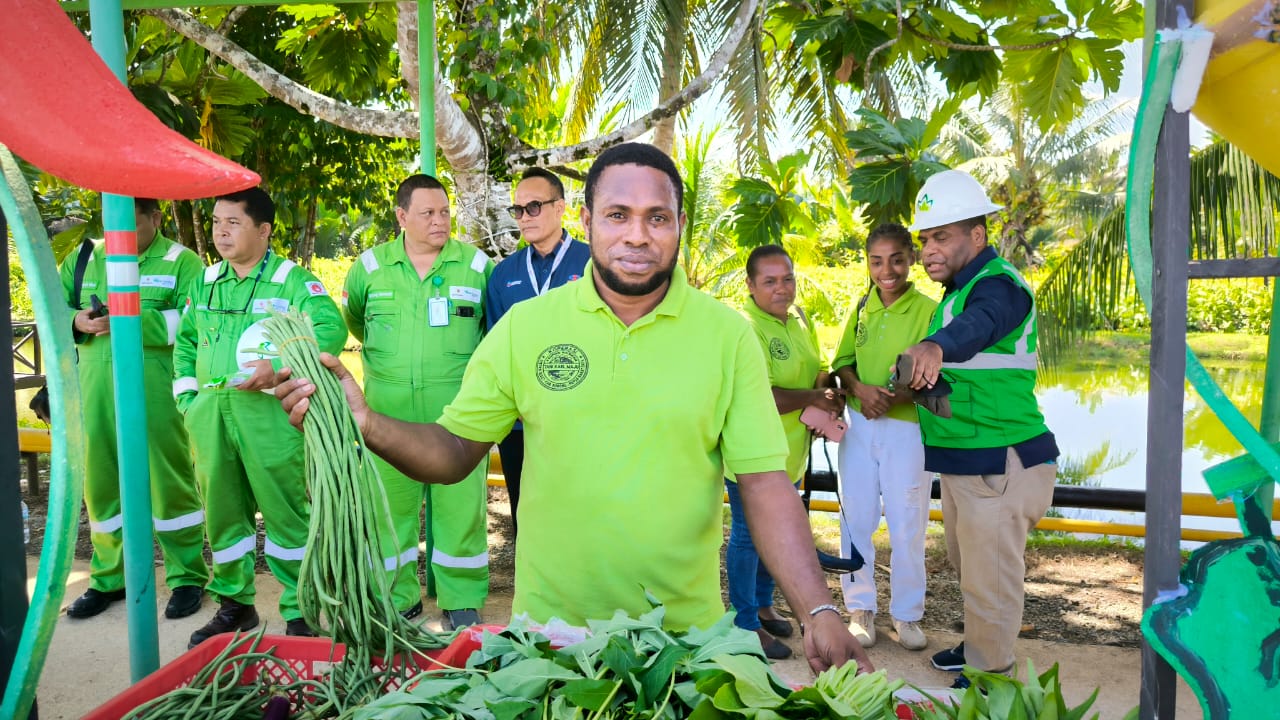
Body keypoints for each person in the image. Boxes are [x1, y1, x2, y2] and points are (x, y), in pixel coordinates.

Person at [277, 143, 872, 674]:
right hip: (549, 640)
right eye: (617, 215)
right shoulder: (525, 327)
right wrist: (368, 424)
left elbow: (766, 484)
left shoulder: (726, 337)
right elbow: (455, 450)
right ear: (587, 220)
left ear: (680, 225)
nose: (637, 235)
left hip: (685, 640)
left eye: (657, 217)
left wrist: (818, 609)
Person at [897, 170, 1059, 688]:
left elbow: (981, 325)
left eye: (941, 236)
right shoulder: (955, 293)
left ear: (978, 236)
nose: (928, 250)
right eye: (924, 238)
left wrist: (936, 347)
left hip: (1002, 461)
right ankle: (979, 645)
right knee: (972, 569)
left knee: (991, 577)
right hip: (969, 461)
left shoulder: (999, 287)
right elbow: (961, 375)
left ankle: (992, 677)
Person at [173, 186, 347, 648]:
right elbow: (187, 343)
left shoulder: (293, 282)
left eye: (233, 222)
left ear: (264, 230)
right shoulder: (206, 281)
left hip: (271, 418)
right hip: (212, 419)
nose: (220, 232)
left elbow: (331, 329)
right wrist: (189, 402)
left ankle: (301, 609)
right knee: (224, 517)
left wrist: (278, 367)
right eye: (215, 222)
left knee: (287, 518)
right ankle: (235, 605)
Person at [342, 174, 494, 629]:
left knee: (460, 507)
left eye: (445, 212)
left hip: (459, 417)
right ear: (402, 217)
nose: (439, 221)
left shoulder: (476, 266)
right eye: (427, 213)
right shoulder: (369, 268)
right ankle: (397, 595)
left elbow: (492, 331)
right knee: (389, 508)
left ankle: (460, 597)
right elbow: (356, 323)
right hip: (387, 415)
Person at [60, 198, 208, 620]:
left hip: (156, 387)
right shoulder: (85, 255)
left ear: (155, 219)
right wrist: (78, 321)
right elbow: (52, 305)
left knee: (170, 479)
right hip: (96, 388)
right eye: (111, 224)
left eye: (129, 223)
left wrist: (132, 320)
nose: (117, 233)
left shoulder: (183, 262)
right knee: (102, 482)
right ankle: (110, 578)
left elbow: (194, 320)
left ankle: (186, 578)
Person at [726, 244, 845, 661]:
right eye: (770, 281)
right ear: (751, 285)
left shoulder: (796, 319)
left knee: (771, 534)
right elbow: (767, 398)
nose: (782, 288)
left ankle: (762, 603)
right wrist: (818, 395)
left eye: (788, 278)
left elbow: (814, 366)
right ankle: (743, 624)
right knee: (747, 534)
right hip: (752, 455)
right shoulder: (747, 327)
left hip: (788, 452)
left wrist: (830, 386)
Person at [830, 223, 937, 651]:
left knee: (907, 522)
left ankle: (907, 616)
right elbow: (842, 363)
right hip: (859, 429)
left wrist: (892, 399)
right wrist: (859, 390)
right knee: (855, 518)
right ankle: (860, 609)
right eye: (877, 260)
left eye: (896, 258)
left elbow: (936, 375)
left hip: (907, 431)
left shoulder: (929, 311)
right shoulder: (861, 309)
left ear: (911, 258)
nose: (886, 270)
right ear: (868, 263)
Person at [484, 168, 589, 540]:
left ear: (560, 207)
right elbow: (498, 348)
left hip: (583, 420)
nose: (524, 217)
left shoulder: (594, 265)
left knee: (583, 518)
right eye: (518, 210)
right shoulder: (503, 275)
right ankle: (532, 597)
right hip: (520, 424)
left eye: (533, 207)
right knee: (526, 520)